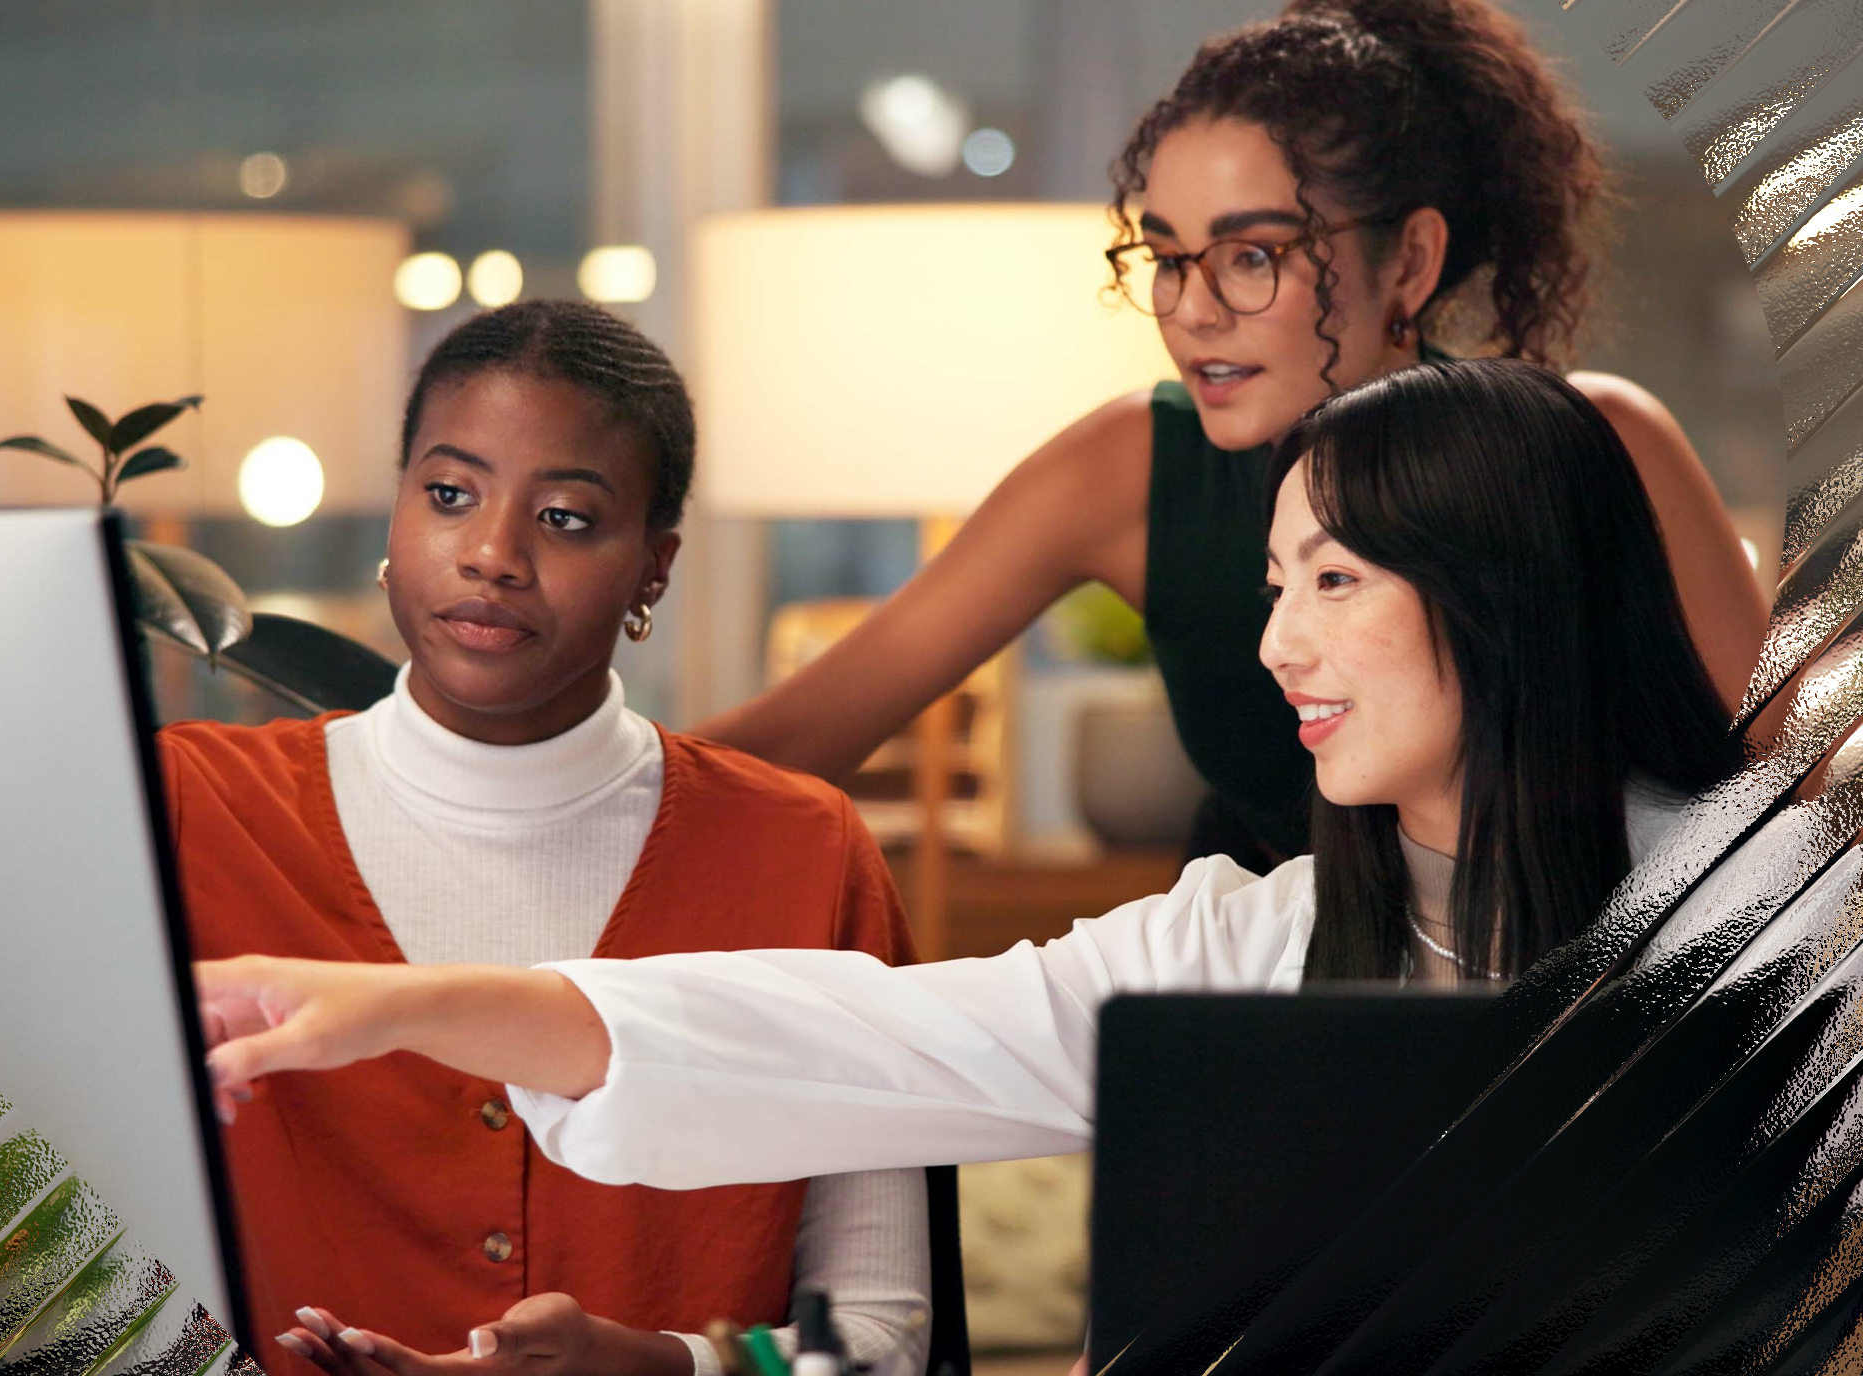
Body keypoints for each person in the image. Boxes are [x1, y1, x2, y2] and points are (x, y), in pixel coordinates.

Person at [190, 357, 1744, 1194]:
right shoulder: (1249, 948)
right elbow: (852, 1038)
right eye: (1274, 589)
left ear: (1504, 587)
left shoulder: (1780, 932)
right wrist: (400, 1003)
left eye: (1333, 584)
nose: (1279, 650)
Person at [694, 0, 1766, 872]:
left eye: (1252, 255)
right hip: (1266, 1004)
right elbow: (783, 750)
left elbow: (1794, 789)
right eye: (1166, 256)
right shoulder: (1129, 467)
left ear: (1410, 262)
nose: (1191, 309)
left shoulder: (1599, 445)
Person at [160, 301, 929, 1376]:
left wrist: (655, 1364)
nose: (490, 552)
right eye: (448, 494)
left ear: (654, 567)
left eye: (565, 516)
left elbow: (880, 1345)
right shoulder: (190, 809)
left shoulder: (802, 852)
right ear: (394, 514)